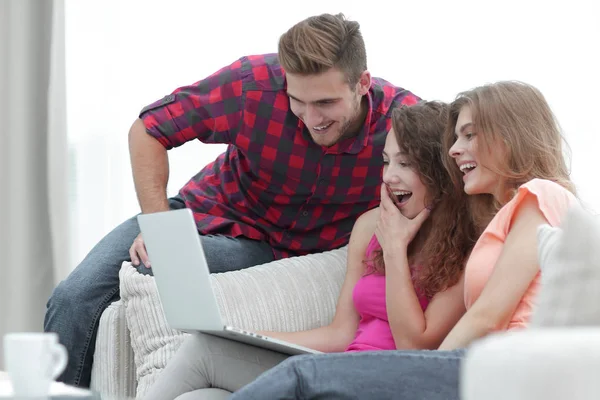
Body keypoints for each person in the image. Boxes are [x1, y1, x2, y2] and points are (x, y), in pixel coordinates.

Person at [43, 13, 420, 387]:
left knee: (150, 272)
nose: (310, 118)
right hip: (208, 211)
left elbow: (460, 170)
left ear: (363, 84)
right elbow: (147, 130)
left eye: (325, 102)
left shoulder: (403, 122)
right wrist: (159, 227)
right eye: (297, 101)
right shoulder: (251, 86)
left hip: (267, 249)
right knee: (74, 297)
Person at [229, 80, 580, 400]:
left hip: (506, 371)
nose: (455, 150)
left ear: (509, 137)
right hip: (480, 365)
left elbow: (487, 316)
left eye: (469, 136)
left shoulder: (542, 195)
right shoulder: (501, 217)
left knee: (301, 375)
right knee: (297, 376)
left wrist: (420, 371)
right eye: (455, 138)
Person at [143, 101, 477, 400]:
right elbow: (341, 333)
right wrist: (242, 337)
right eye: (387, 161)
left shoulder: (466, 245)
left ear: (439, 172)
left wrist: (394, 249)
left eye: (405, 164)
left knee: (204, 352)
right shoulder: (368, 226)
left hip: (386, 383)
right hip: (335, 372)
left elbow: (414, 347)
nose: (389, 177)